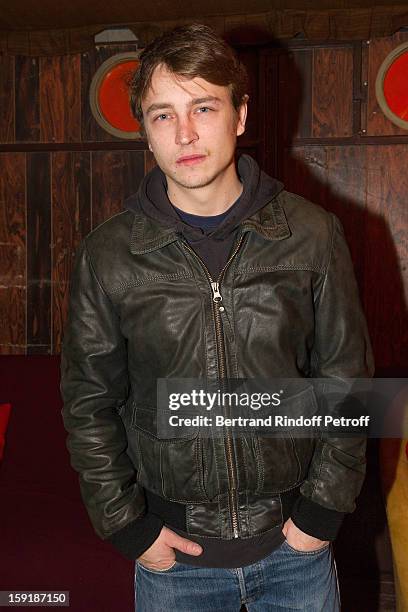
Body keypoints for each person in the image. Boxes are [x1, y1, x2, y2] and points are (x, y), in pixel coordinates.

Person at [60, 23, 374, 611]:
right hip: (174, 560)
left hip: (295, 551)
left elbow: (350, 385)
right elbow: (88, 405)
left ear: (240, 115)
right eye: (162, 115)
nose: (185, 133)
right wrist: (131, 528)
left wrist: (321, 513)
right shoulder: (106, 255)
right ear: (145, 133)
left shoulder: (313, 235)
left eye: (203, 107)